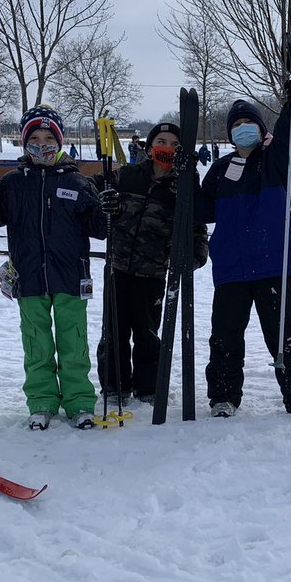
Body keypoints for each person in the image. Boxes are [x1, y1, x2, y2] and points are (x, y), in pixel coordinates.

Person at [0, 106, 107, 431]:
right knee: (36, 342)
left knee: (73, 341)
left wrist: (110, 208)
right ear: (24, 143)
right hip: (28, 275)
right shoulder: (14, 183)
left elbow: (99, 227)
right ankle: (41, 400)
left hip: (70, 275)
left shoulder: (77, 182)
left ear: (60, 141)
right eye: (35, 139)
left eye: (49, 139)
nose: (42, 146)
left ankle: (79, 401)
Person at [197, 85, 291, 421]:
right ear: (229, 134)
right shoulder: (220, 170)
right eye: (236, 125)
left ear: (262, 128)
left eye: (249, 122)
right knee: (225, 336)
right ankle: (223, 396)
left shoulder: (276, 160)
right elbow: (199, 210)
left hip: (272, 264)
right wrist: (186, 178)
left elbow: (290, 131)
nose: (243, 129)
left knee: (284, 334)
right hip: (231, 267)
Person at [97, 123, 209, 404]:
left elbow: (197, 229)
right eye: (161, 141)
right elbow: (91, 188)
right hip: (118, 267)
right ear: (149, 148)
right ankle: (114, 385)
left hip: (154, 272)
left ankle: (147, 387)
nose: (166, 148)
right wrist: (106, 202)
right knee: (114, 330)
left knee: (147, 333)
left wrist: (192, 259)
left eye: (174, 144)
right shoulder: (127, 175)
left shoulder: (184, 186)